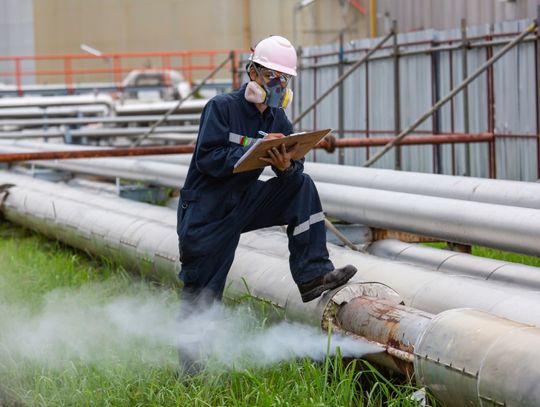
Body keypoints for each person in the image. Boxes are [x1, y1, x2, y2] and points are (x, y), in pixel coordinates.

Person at [176, 35, 357, 309]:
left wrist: (286, 168)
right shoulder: (222, 108)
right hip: (207, 211)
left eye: (285, 78)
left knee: (300, 185)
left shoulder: (276, 117)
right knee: (203, 296)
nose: (279, 85)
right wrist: (257, 147)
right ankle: (194, 351)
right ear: (253, 73)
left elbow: (294, 170)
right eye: (272, 76)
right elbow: (207, 159)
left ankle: (313, 274)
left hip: (243, 201)